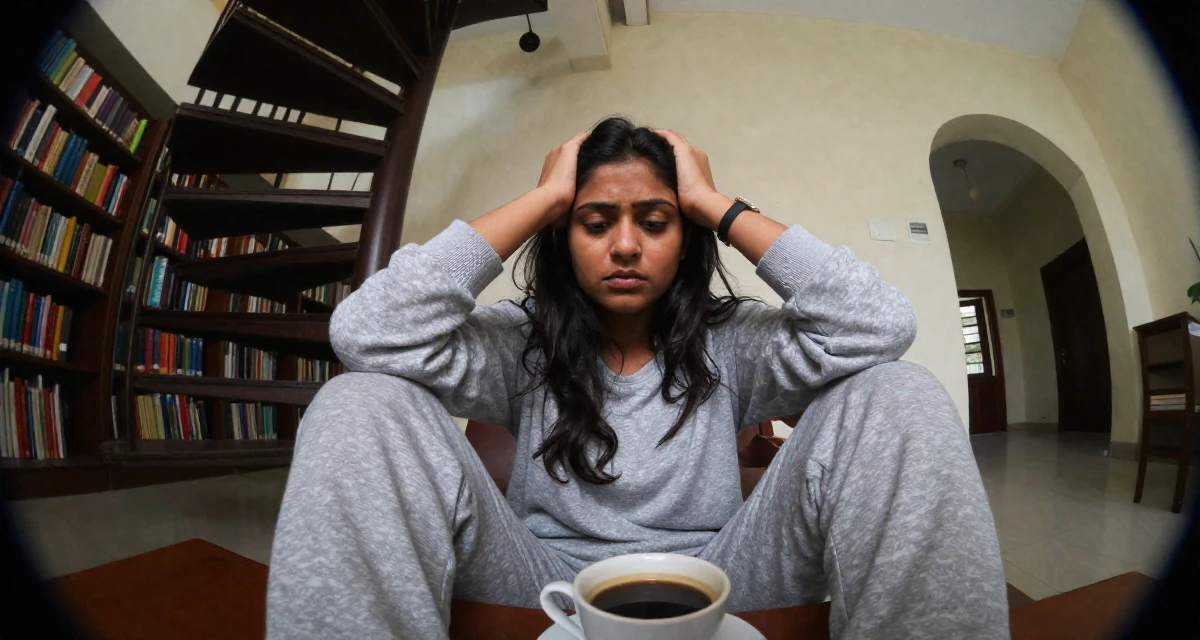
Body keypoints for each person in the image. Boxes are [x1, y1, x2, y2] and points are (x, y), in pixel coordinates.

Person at [266, 117, 1008, 639]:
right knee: (358, 399)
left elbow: (880, 325)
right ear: (564, 238)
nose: (625, 245)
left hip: (725, 572)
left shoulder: (732, 345)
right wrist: (541, 200)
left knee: (900, 391)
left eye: (655, 221)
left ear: (687, 239)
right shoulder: (517, 344)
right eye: (594, 222)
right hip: (541, 577)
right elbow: (365, 333)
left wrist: (720, 205)